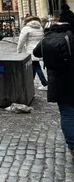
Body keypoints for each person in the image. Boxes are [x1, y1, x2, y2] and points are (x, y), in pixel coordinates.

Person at [33, 21, 74, 162]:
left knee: (67, 113)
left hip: (57, 82)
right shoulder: (71, 36)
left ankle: (73, 147)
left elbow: (35, 52)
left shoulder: (46, 39)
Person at [17, 16, 46, 89]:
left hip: (31, 50)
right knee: (33, 66)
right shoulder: (40, 28)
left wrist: (19, 51)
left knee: (36, 66)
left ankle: (44, 82)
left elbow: (21, 41)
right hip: (39, 49)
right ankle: (30, 82)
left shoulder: (26, 28)